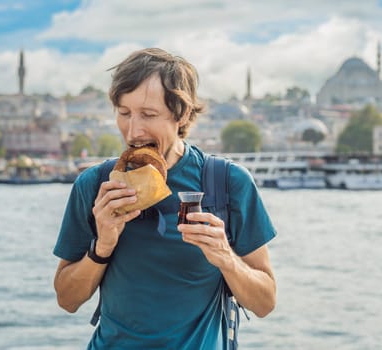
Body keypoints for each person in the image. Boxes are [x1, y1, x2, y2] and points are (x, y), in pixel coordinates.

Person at [53, 47, 277, 349]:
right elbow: (67, 300)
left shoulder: (228, 183)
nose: (133, 130)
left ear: (181, 113)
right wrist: (102, 246)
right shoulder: (94, 186)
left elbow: (264, 303)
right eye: (124, 113)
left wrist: (225, 258)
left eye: (148, 114)